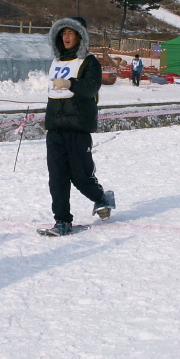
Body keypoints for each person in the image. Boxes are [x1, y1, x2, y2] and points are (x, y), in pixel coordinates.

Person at [44, 17, 115, 236]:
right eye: (63, 33)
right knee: (57, 178)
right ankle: (62, 221)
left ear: (80, 36)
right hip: (55, 129)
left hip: (78, 128)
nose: (66, 37)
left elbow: (91, 86)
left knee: (80, 177)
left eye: (70, 33)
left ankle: (101, 197)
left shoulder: (89, 61)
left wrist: (70, 84)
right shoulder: (56, 62)